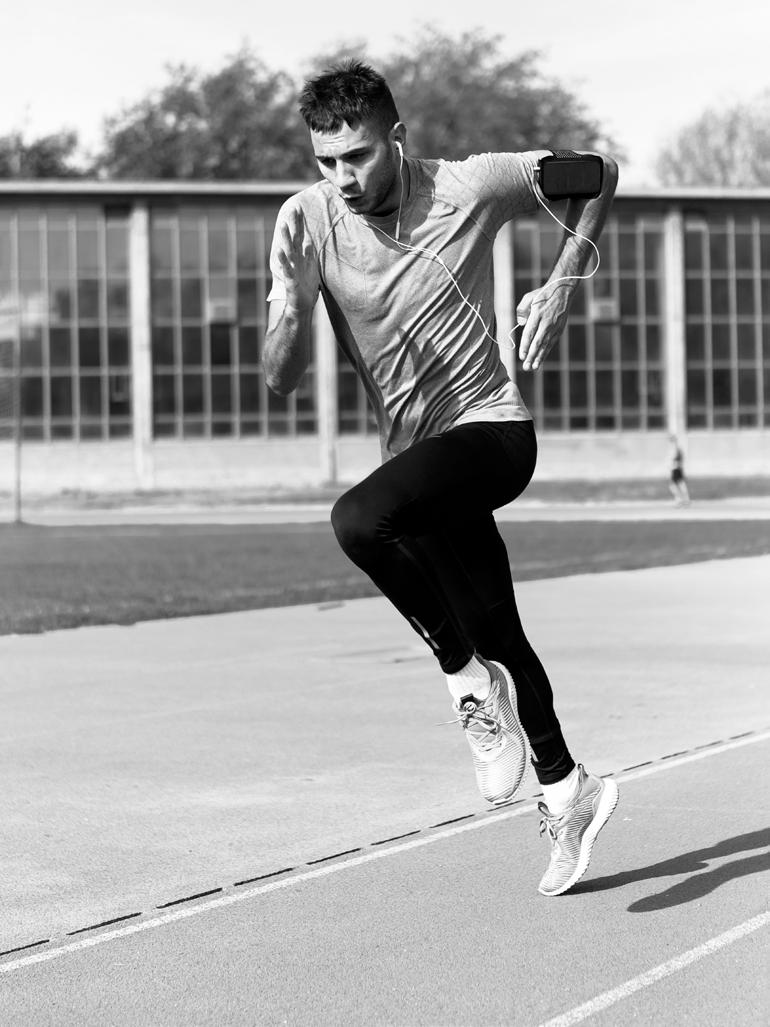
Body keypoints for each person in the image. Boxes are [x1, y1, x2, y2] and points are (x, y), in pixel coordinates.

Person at [263, 60, 619, 896]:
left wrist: (563, 284)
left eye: (356, 155)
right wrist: (285, 302)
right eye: (325, 161)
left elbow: (598, 175)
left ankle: (463, 679)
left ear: (397, 138)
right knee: (502, 631)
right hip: (418, 466)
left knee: (357, 522)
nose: (341, 177)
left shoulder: (470, 185)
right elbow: (278, 378)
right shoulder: (310, 220)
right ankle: (570, 790)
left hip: (492, 432)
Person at [668, 434, 691, 506]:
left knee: (673, 486)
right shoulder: (677, 448)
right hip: (678, 468)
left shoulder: (675, 448)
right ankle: (685, 499)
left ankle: (680, 499)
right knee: (681, 484)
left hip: (676, 469)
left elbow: (676, 458)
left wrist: (674, 464)